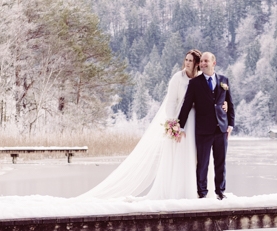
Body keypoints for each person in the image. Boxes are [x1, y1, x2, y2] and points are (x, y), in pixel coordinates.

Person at [79, 50, 201, 200]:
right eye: (186, 59)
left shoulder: (201, 79)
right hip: (180, 121)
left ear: (196, 63)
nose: (187, 62)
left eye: (191, 60)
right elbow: (170, 103)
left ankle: (193, 190)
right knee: (179, 155)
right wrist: (173, 124)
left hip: (196, 121)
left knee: (193, 155)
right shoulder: (177, 78)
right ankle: (177, 192)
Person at [177, 51, 233, 199]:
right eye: (201, 61)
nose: (202, 64)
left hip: (221, 129)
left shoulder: (224, 80)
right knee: (202, 164)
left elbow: (230, 104)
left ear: (213, 63)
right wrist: (179, 126)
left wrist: (230, 125)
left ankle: (220, 192)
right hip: (203, 130)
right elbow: (186, 105)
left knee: (220, 163)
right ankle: (202, 193)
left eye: (205, 61)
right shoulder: (195, 83)